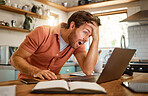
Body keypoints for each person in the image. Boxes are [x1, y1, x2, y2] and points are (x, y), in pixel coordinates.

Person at [10, 11, 101, 80]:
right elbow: (15, 58)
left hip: (51, 85)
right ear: (72, 26)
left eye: (89, 36)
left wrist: (96, 39)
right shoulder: (43, 32)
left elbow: (88, 70)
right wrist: (36, 72)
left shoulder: (77, 43)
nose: (86, 39)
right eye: (85, 32)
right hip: (27, 83)